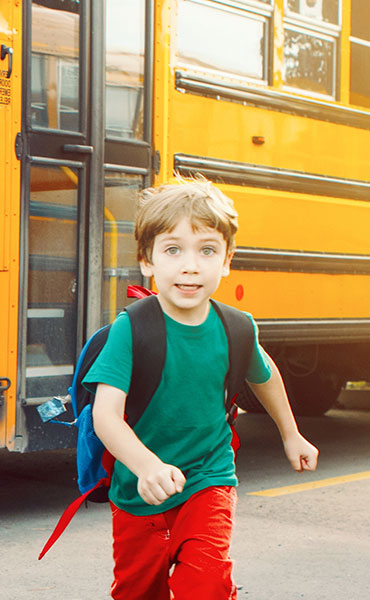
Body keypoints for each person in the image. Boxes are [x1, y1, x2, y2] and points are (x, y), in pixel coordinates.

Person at [85, 179, 319, 600]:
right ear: (147, 261)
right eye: (173, 250)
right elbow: (106, 415)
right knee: (138, 593)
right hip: (139, 493)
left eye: (207, 250)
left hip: (208, 479)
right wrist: (146, 465)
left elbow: (264, 377)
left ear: (227, 261)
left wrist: (291, 433)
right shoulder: (132, 328)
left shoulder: (237, 327)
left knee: (206, 586)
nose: (190, 266)